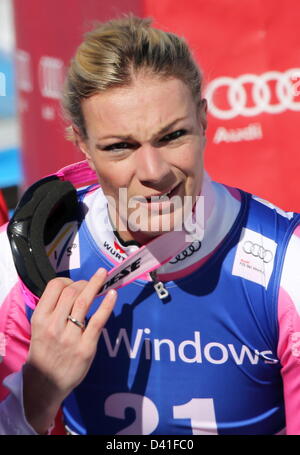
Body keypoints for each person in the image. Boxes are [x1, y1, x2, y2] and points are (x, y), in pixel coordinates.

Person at [0, 15, 300, 435]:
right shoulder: (28, 258)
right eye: (120, 147)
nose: (154, 171)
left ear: (203, 122)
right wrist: (38, 395)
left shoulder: (287, 266)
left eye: (172, 136)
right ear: (82, 145)